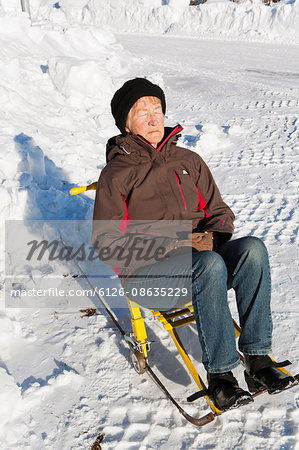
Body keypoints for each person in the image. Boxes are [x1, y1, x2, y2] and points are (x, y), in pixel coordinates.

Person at [92, 77, 297, 411]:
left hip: (201, 259)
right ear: (125, 124)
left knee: (253, 250)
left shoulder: (188, 160)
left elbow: (220, 212)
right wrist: (177, 241)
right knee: (210, 264)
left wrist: (210, 237)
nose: (153, 117)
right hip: (149, 276)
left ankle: (258, 361)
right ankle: (221, 377)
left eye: (157, 108)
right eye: (142, 111)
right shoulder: (116, 175)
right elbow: (108, 242)